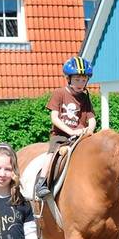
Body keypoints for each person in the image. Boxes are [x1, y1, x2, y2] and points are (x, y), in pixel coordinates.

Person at [34, 56, 97, 199]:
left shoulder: (85, 97)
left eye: (83, 79)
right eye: (77, 79)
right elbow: (54, 117)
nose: (80, 83)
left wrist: (89, 131)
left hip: (81, 135)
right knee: (52, 153)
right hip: (61, 135)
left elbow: (91, 118)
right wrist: (71, 131)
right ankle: (42, 182)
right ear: (68, 79)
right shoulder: (59, 93)